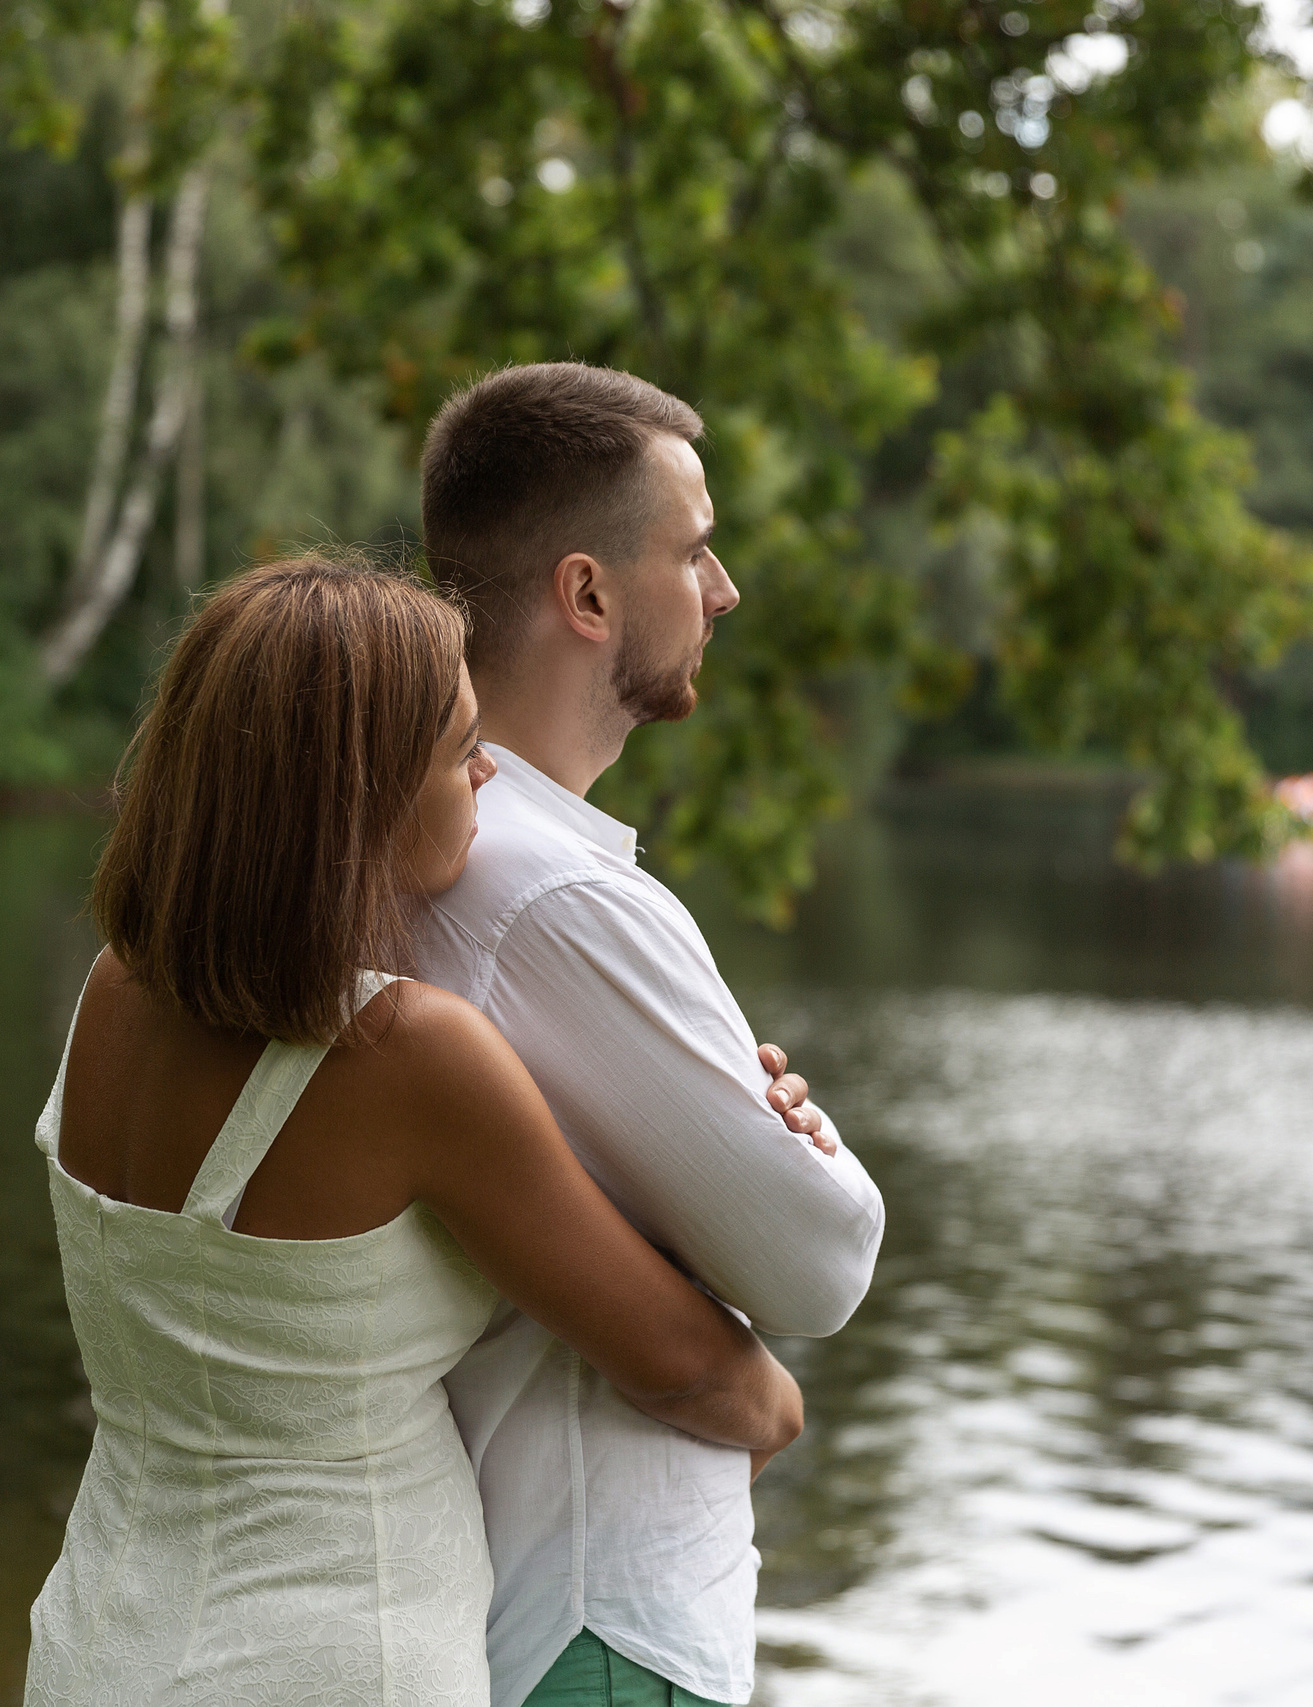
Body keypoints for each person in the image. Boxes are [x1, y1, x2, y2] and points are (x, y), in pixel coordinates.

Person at [24, 558, 805, 1707]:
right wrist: (779, 1404)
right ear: (358, 800)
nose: (489, 772)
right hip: (341, 1662)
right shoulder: (410, 1058)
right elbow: (690, 1370)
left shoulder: (112, 996)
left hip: (99, 1638)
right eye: (458, 751)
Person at [412, 364, 887, 1707]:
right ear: (587, 595)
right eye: (693, 547)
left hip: (527, 1612)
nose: (724, 587)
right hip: (600, 1625)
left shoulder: (447, 846)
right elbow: (824, 1257)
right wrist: (807, 1134)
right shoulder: (548, 892)